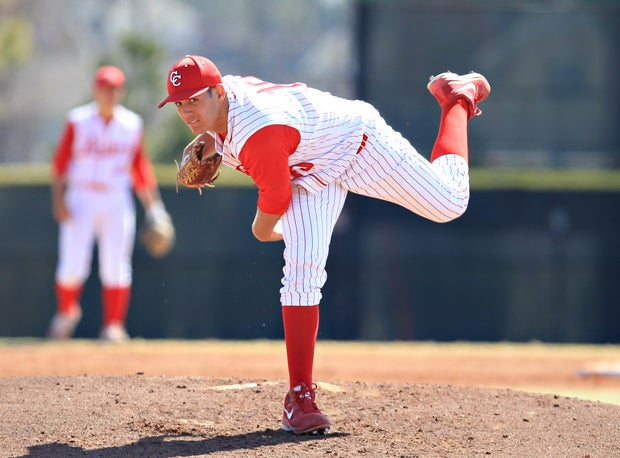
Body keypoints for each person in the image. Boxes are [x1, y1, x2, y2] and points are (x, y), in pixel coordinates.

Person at [158, 55, 490, 434]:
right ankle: (300, 398)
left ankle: (456, 98)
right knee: (301, 273)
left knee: (450, 202)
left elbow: (274, 201)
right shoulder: (225, 94)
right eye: (179, 103)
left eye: (194, 100)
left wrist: (263, 232)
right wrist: (209, 135)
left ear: (218, 92)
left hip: (354, 142)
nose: (186, 110)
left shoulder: (258, 133)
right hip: (307, 167)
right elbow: (243, 125)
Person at [48, 65, 172, 342]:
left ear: (121, 91)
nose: (110, 92)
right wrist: (58, 200)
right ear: (96, 89)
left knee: (116, 264)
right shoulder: (78, 120)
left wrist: (155, 207)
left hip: (116, 198)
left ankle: (113, 325)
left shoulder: (131, 124)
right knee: (72, 264)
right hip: (81, 196)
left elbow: (140, 169)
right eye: (105, 87)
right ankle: (66, 312)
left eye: (115, 87)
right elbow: (59, 165)